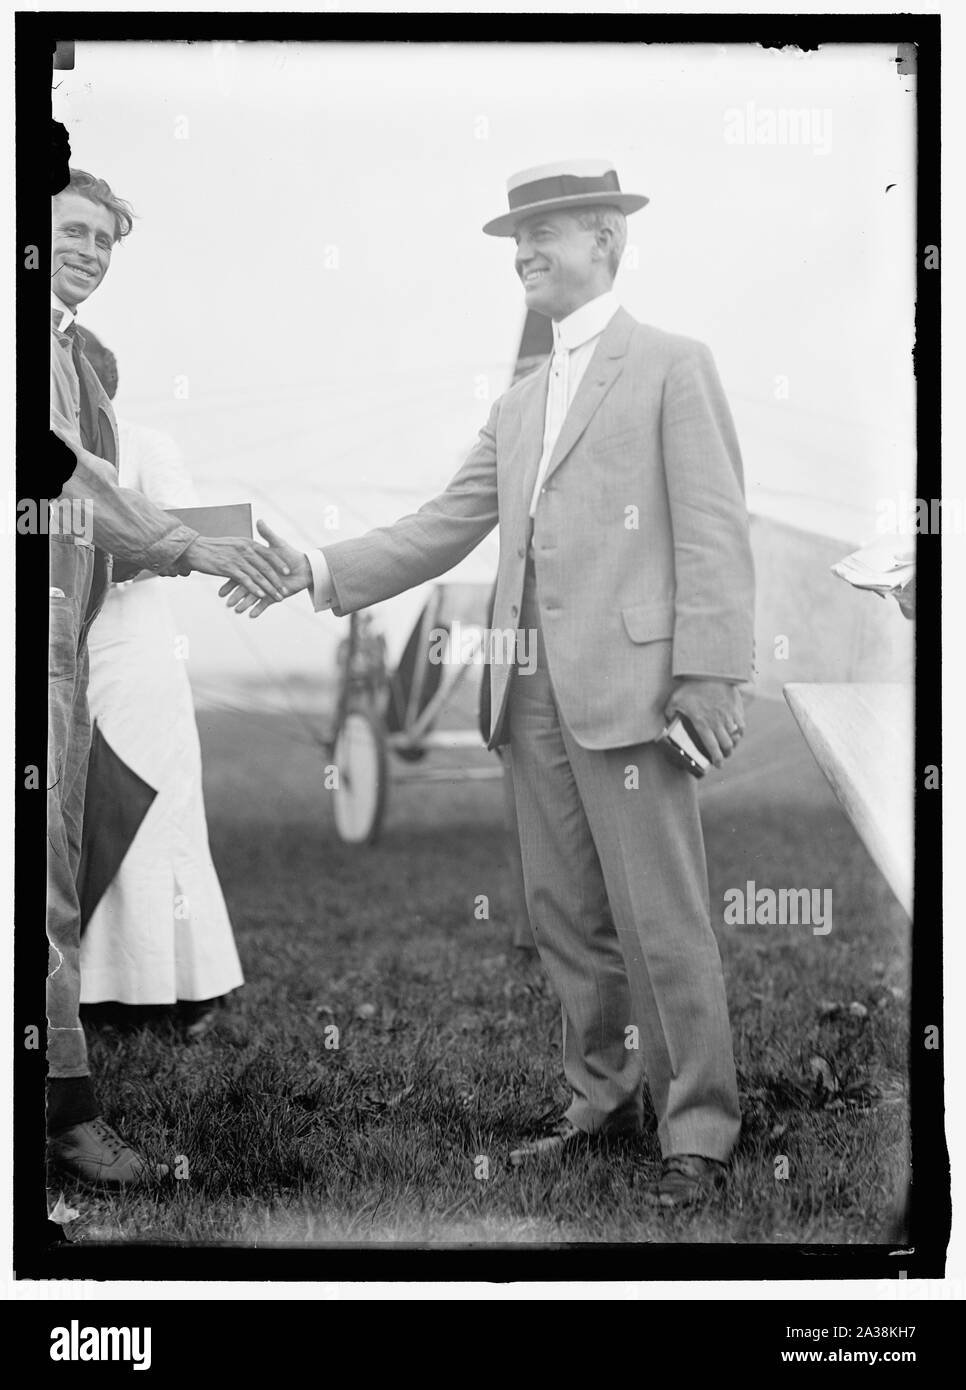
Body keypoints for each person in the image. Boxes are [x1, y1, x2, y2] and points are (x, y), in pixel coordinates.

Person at [226, 158, 756, 1209]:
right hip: (528, 700)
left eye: (545, 232)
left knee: (662, 916)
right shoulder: (518, 403)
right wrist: (316, 570)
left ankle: (696, 1127)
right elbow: (440, 525)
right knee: (564, 917)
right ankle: (600, 1102)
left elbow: (712, 528)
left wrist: (707, 671)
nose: (524, 252)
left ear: (607, 240)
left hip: (639, 693)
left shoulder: (672, 364)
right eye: (516, 238)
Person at [48, 168, 287, 1187]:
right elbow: (56, 472)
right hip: (50, 645)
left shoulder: (65, 356)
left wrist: (236, 543)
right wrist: (194, 545)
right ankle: (65, 1114)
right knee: (41, 881)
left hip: (64, 645)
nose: (92, 252)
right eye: (72, 231)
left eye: (106, 239)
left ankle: (60, 1099)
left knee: (48, 877)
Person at [75, 333, 244, 1037]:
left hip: (134, 646)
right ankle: (85, 985)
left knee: (148, 805)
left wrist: (108, 548)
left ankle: (173, 987)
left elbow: (188, 528)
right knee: (76, 810)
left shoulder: (144, 443)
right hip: (64, 645)